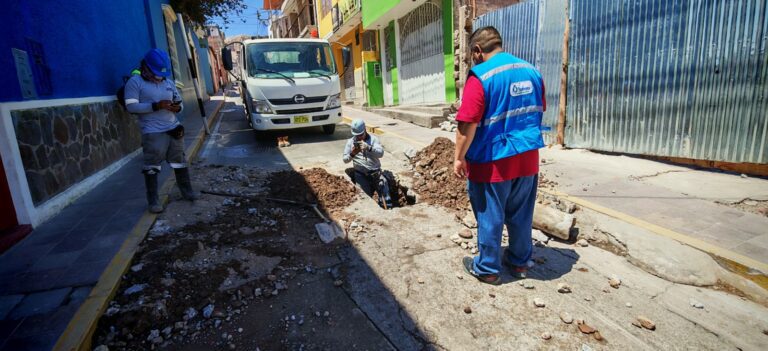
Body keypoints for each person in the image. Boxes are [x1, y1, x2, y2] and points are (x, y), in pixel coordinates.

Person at [454, 26, 546, 285]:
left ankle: (487, 268)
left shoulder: (481, 76)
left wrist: (459, 158)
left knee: (489, 215)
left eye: (472, 55)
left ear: (477, 51)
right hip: (528, 159)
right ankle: (519, 262)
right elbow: (537, 111)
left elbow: (467, 124)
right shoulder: (532, 71)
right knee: (521, 213)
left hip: (492, 161)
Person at [124, 48, 199, 213]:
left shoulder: (168, 82)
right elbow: (131, 106)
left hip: (173, 129)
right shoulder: (135, 82)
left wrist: (176, 108)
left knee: (179, 161)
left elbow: (180, 103)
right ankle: (153, 201)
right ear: (146, 67)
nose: (159, 76)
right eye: (156, 73)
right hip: (153, 132)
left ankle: (187, 192)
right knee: (152, 166)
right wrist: (156, 106)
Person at [343, 119, 393, 209]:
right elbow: (345, 160)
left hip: (375, 173)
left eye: (360, 135)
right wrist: (353, 153)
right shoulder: (350, 142)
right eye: (356, 136)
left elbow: (380, 153)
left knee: (385, 196)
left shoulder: (373, 140)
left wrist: (369, 148)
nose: (359, 138)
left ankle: (388, 210)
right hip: (360, 175)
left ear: (365, 130)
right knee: (365, 200)